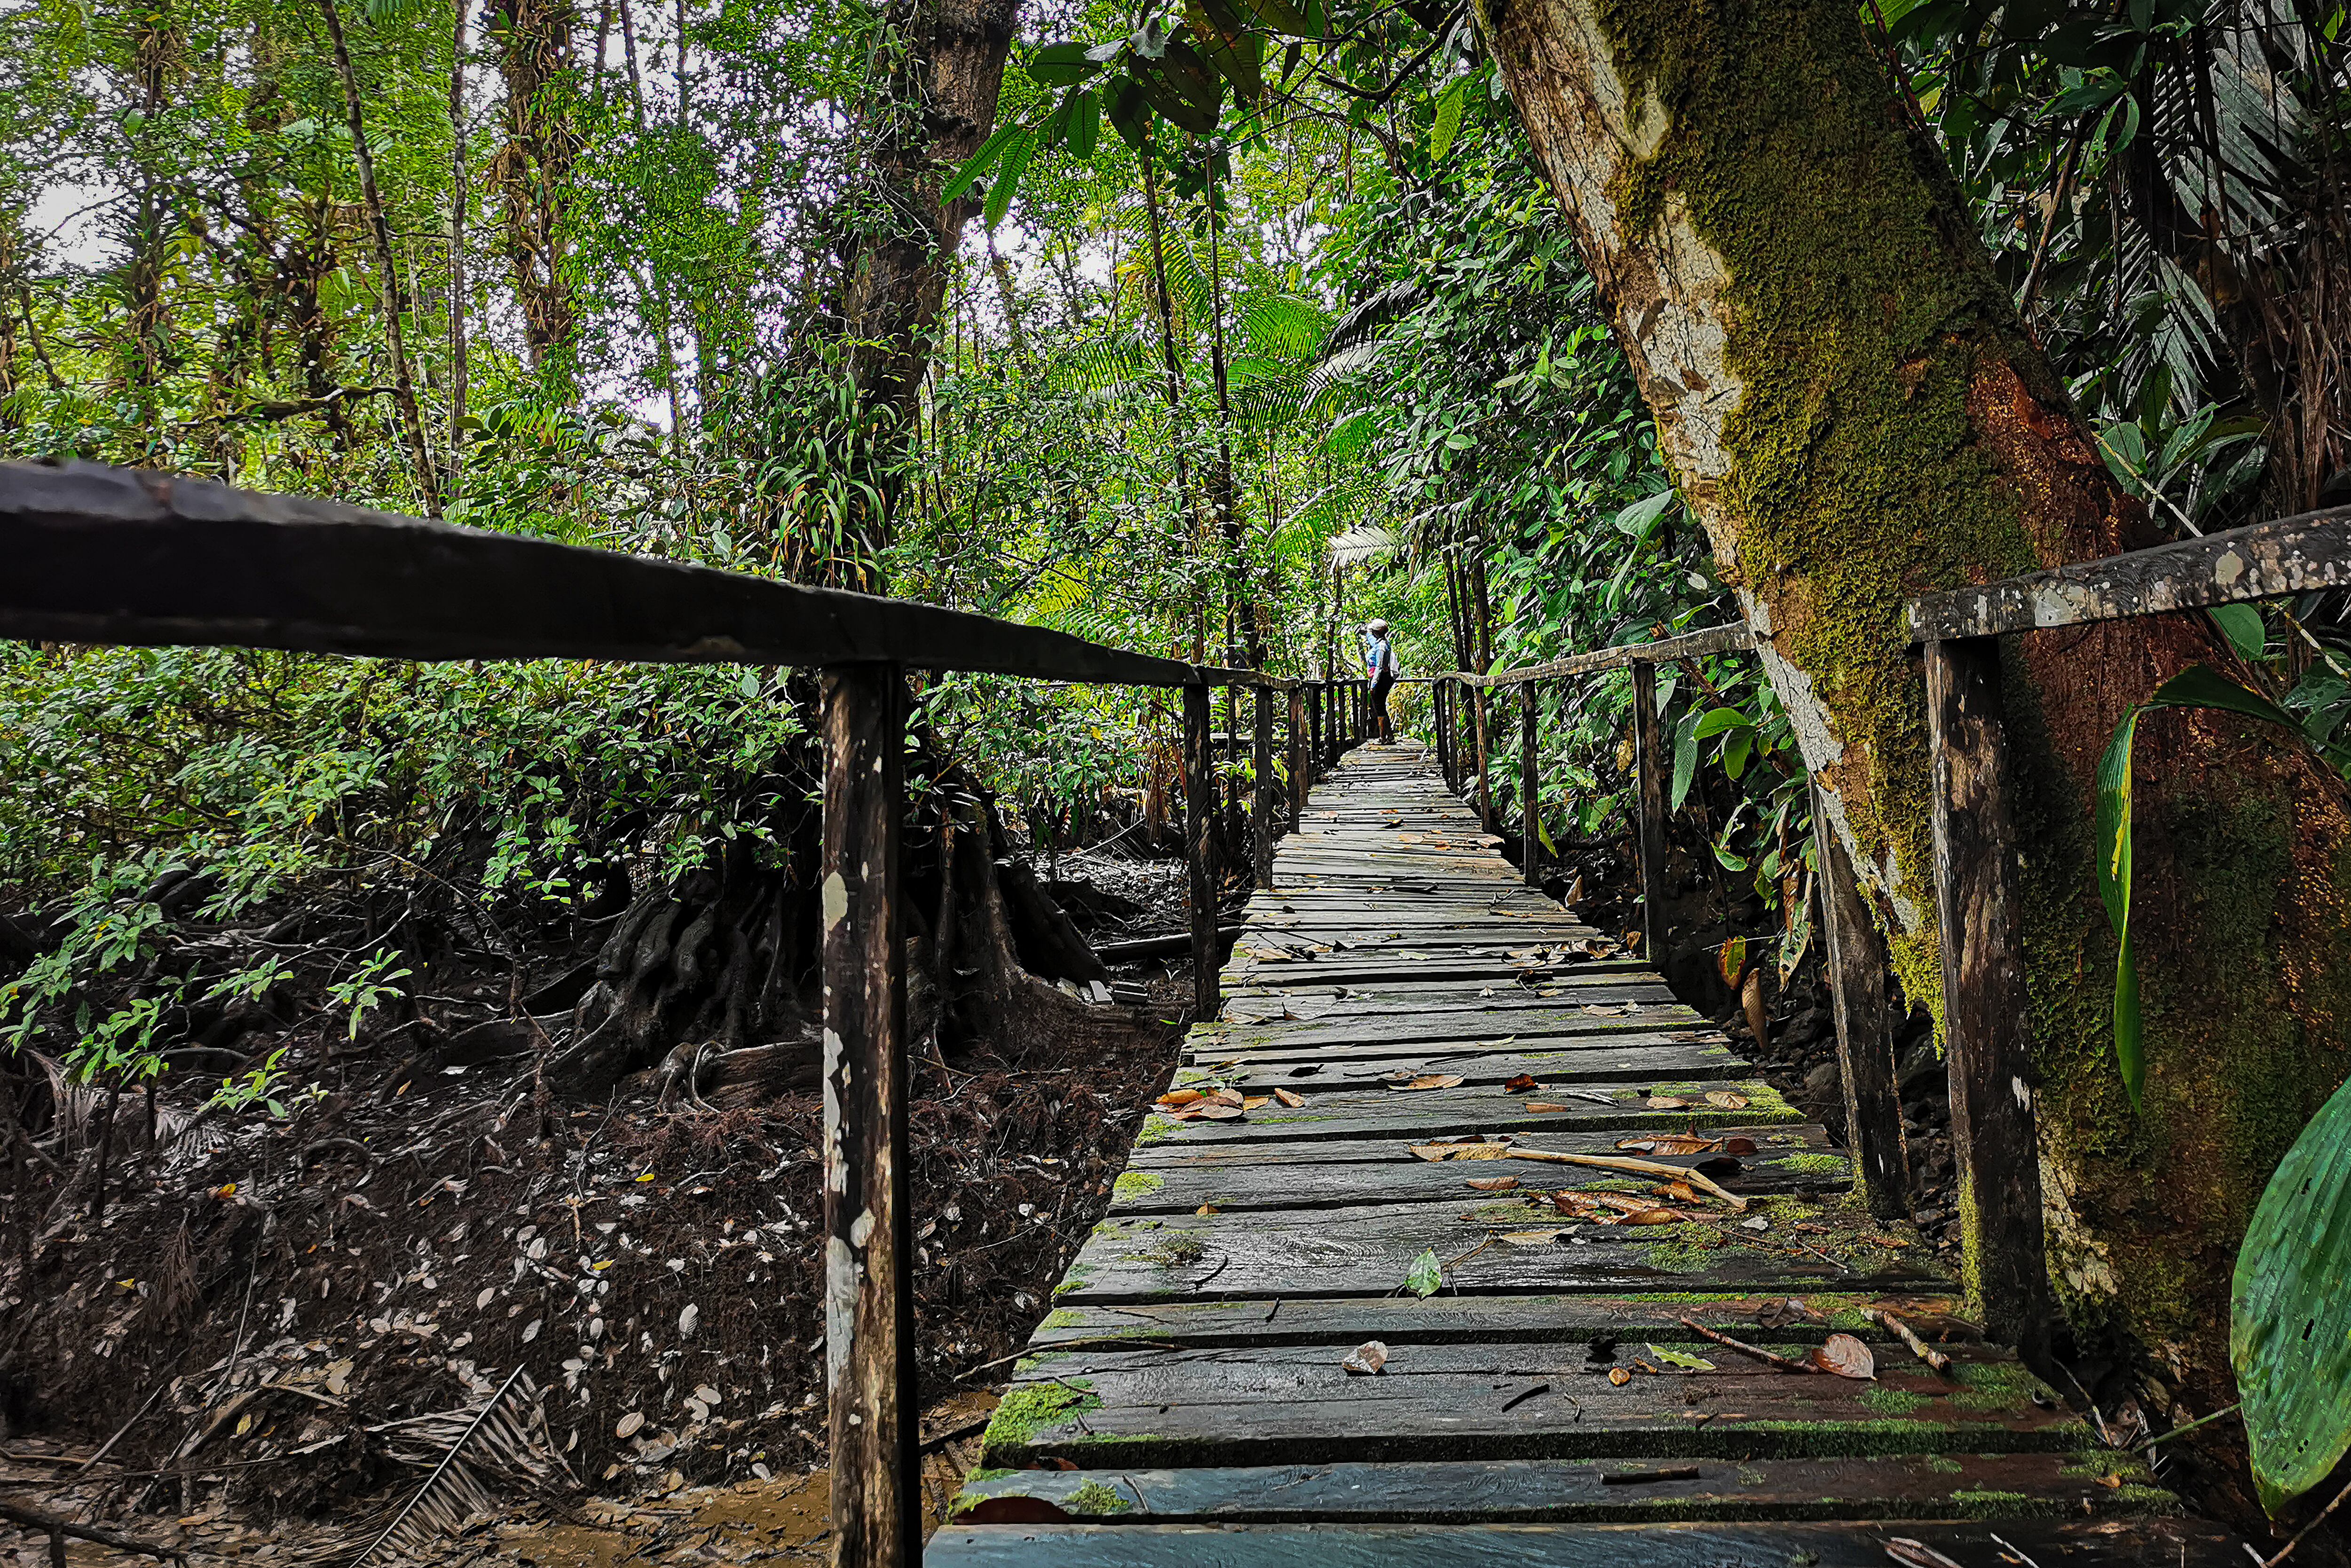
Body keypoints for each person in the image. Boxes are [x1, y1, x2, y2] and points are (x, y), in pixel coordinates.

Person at [1361, 619, 1399, 742]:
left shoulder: (1381, 647)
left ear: (1376, 633)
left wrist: (1374, 684)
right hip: (1381, 678)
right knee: (1381, 706)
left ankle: (1383, 737)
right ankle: (1390, 737)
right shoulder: (1379, 643)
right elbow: (1371, 640)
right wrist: (1366, 631)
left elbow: (1380, 666)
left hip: (1381, 678)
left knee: (1379, 707)